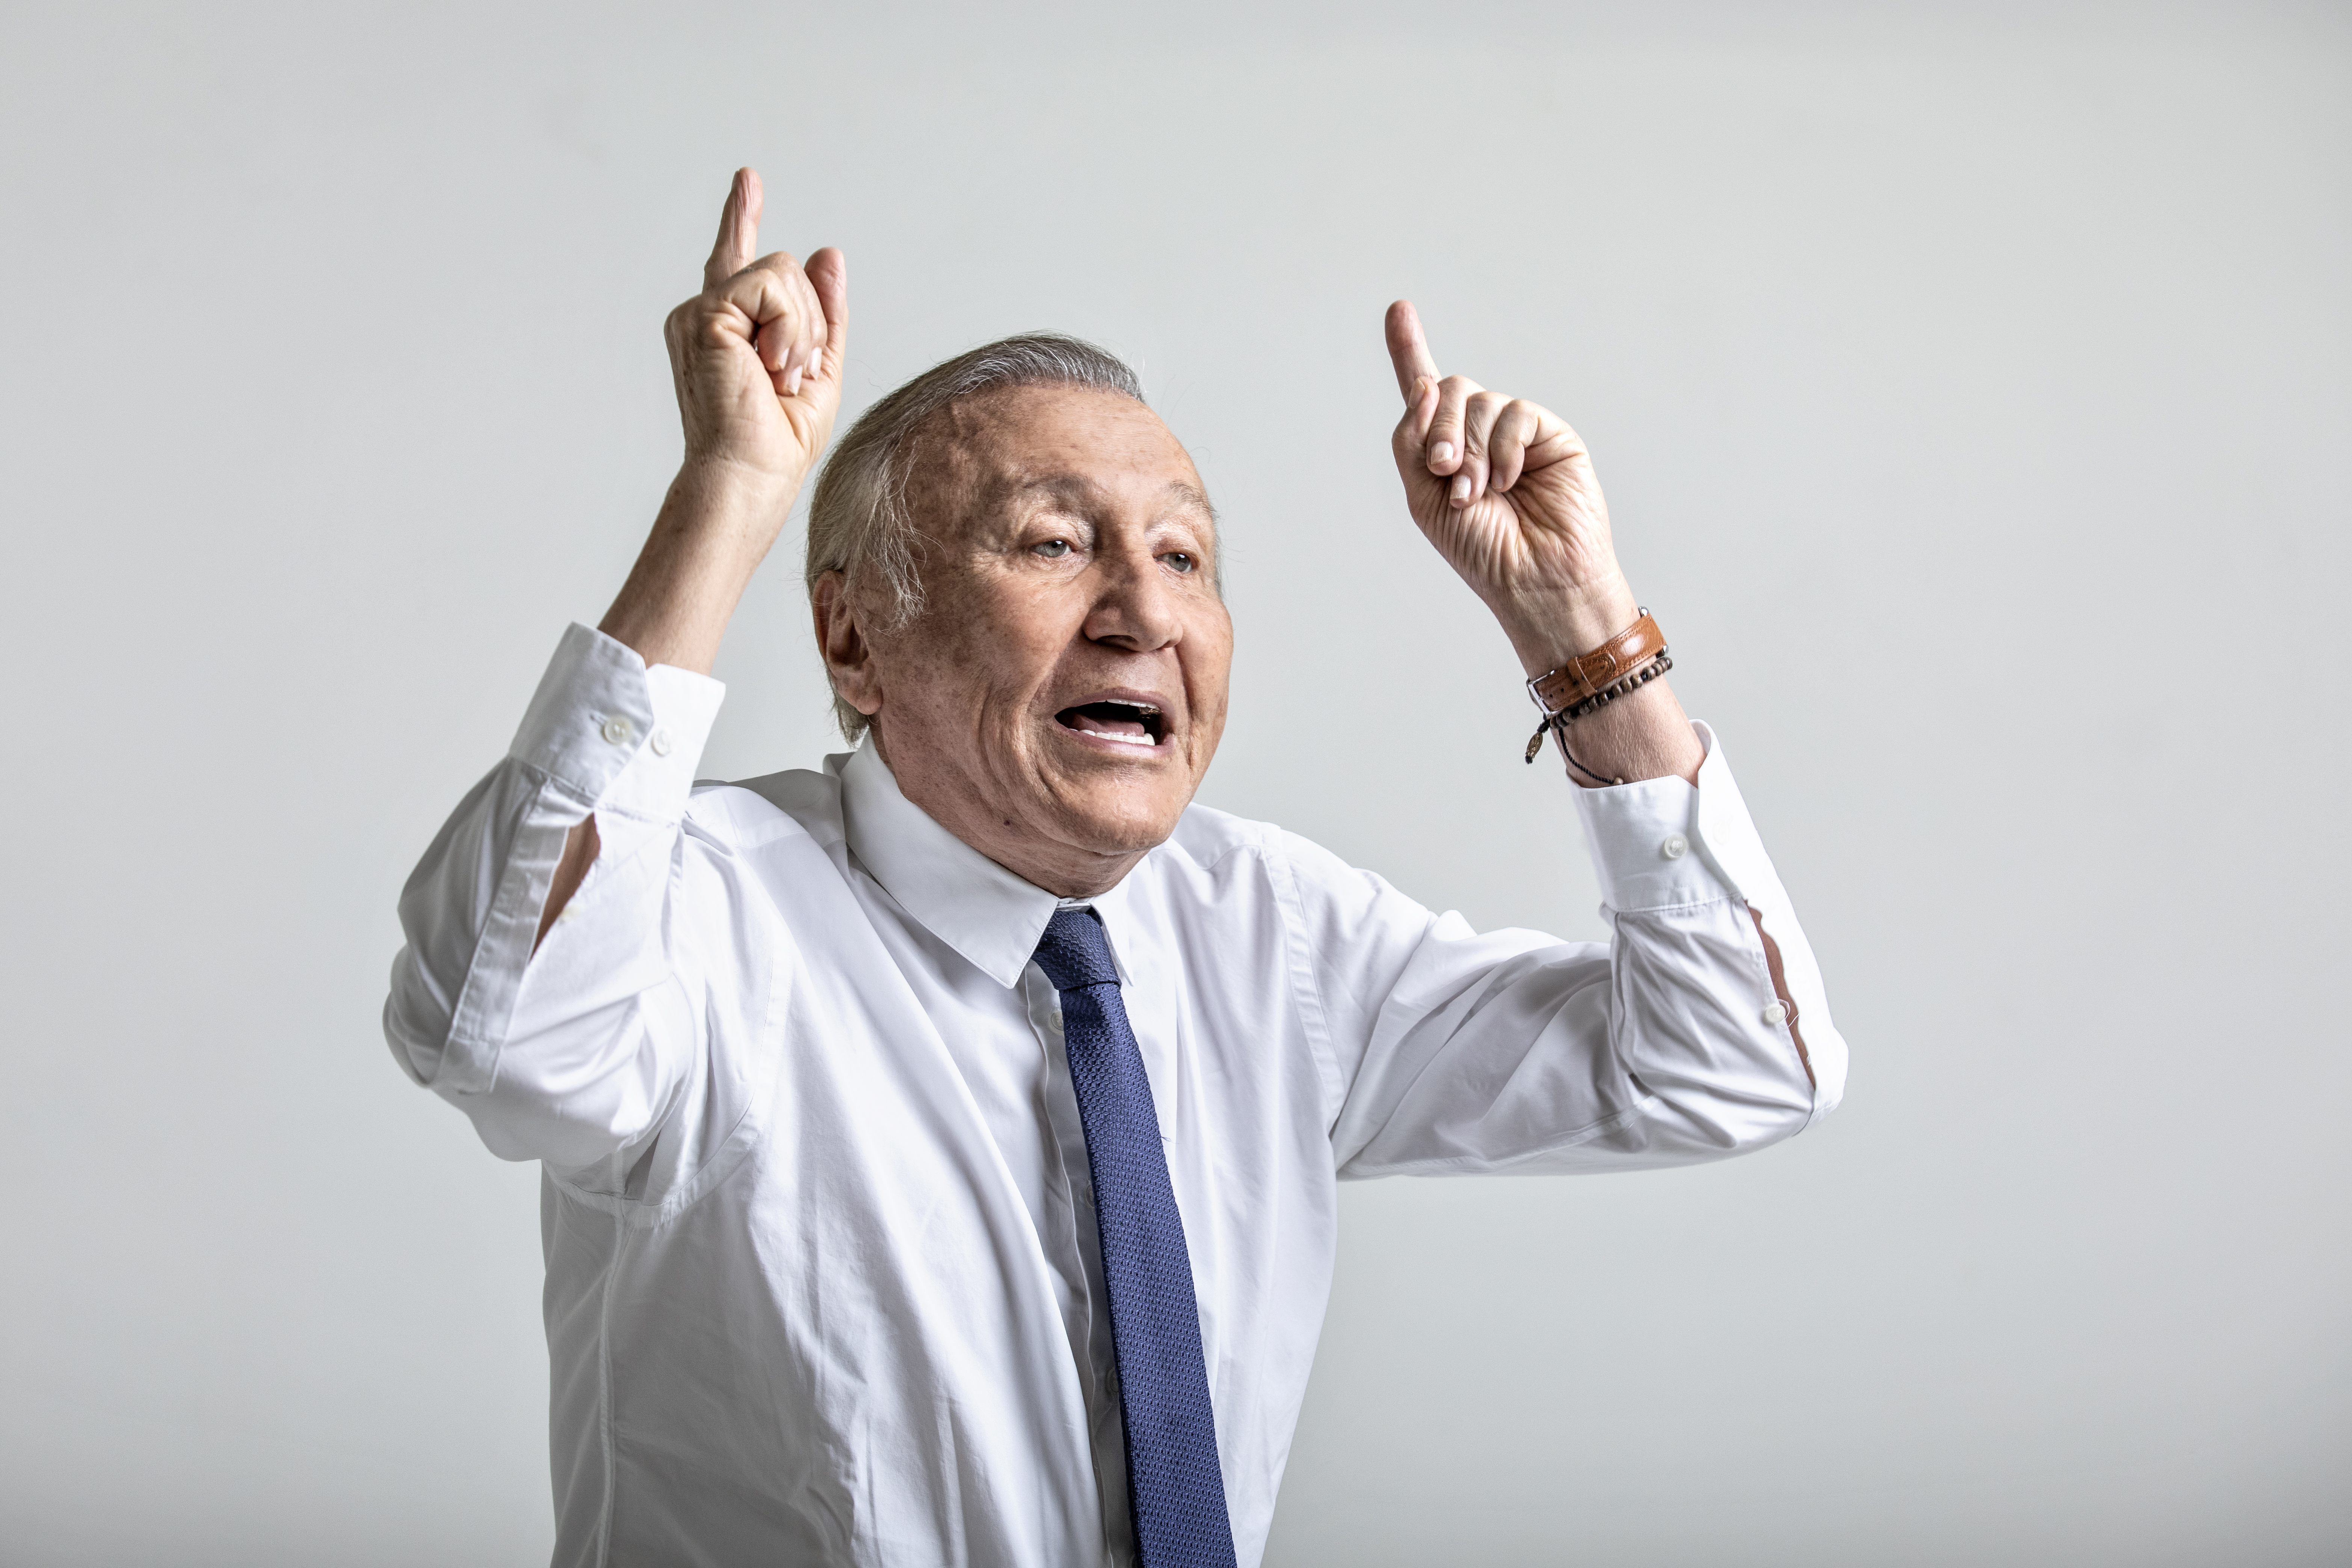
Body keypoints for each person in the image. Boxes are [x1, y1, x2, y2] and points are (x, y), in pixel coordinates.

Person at [384, 166, 1846, 1568]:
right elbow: (504, 1030)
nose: (1144, 609)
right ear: (851, 641)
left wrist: (1576, 623)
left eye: (1186, 555)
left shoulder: (1272, 928)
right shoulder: (702, 908)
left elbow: (1732, 1066)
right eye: (1052, 543)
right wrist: (730, 488)